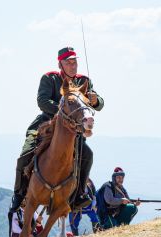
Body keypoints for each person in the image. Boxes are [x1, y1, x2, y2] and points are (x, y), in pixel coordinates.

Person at [9, 46, 104, 213]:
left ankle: (78, 195)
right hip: (45, 124)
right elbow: (42, 102)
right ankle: (19, 193)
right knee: (25, 155)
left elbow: (99, 104)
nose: (73, 66)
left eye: (75, 62)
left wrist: (96, 100)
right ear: (60, 64)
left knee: (87, 155)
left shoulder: (84, 81)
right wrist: (63, 112)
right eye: (69, 62)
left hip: (72, 130)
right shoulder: (49, 78)